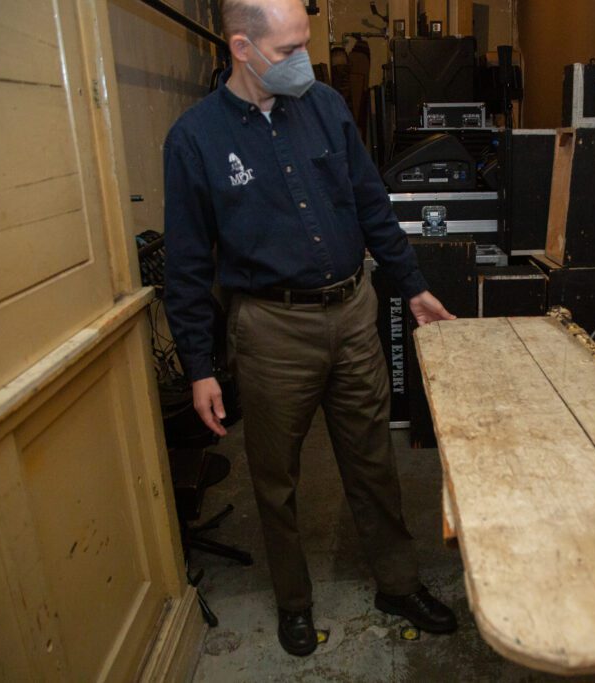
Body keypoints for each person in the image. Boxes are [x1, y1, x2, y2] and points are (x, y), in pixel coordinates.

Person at [162, 0, 458, 657]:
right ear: (242, 47)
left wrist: (412, 287)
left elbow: (371, 202)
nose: (304, 61)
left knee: (374, 462)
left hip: (353, 313)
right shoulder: (195, 139)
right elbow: (185, 264)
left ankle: (398, 581)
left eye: (304, 46)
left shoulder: (325, 105)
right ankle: (294, 603)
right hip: (271, 329)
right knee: (276, 480)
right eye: (289, 49)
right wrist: (201, 366)